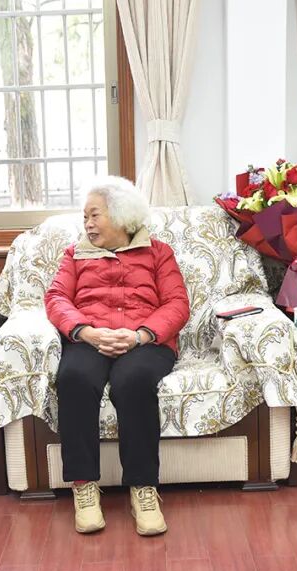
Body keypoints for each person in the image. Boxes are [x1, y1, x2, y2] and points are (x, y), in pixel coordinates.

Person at [45, 176, 190, 536]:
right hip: (89, 339)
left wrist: (140, 335)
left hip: (144, 341)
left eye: (95, 215)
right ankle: (84, 487)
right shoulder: (74, 255)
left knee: (133, 381)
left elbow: (177, 304)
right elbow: (56, 298)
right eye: (85, 217)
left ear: (122, 216)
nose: (88, 224)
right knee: (74, 377)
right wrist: (86, 331)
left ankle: (143, 488)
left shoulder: (158, 252)